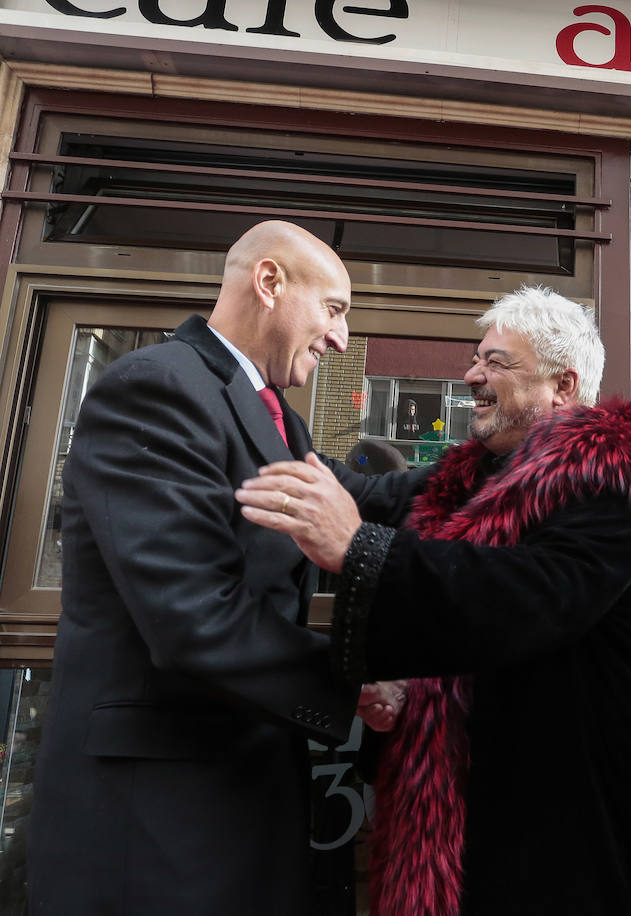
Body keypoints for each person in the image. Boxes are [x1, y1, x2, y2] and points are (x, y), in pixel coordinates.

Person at [236, 285, 631, 916]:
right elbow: (353, 492)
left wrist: (360, 549)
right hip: (459, 801)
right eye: (476, 358)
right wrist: (258, 382)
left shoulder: (617, 479)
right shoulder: (462, 477)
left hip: (564, 809)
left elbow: (530, 596)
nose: (473, 375)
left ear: (563, 387)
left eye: (498, 362)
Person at [27, 220, 429, 915]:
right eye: (334, 309)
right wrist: (352, 682)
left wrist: (512, 456)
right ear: (269, 282)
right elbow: (193, 617)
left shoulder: (280, 420)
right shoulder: (157, 387)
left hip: (233, 787)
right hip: (159, 816)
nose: (340, 339)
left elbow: (374, 494)